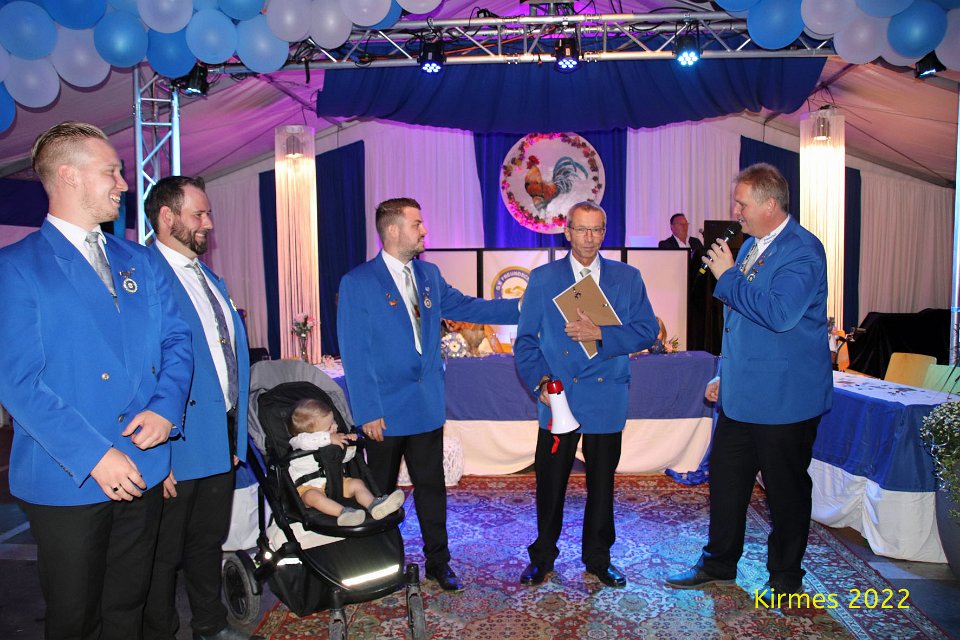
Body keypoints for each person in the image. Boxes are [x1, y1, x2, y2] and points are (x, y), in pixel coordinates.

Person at [0, 121, 193, 640]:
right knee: (75, 620)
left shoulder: (140, 261)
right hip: (70, 474)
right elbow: (17, 382)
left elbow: (177, 341)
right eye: (112, 171)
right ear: (69, 175)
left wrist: (165, 409)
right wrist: (93, 455)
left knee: (128, 608)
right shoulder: (15, 267)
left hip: (143, 465)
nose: (124, 184)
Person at [664, 163, 833, 602]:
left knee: (785, 491)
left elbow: (779, 315)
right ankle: (719, 563)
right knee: (727, 481)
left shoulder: (803, 250)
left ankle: (785, 578)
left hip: (785, 398)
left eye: (741, 203)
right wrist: (726, 372)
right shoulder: (752, 246)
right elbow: (740, 323)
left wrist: (728, 275)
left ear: (770, 204)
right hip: (743, 393)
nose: (735, 211)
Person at [337, 197, 520, 592]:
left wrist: (525, 308)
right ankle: (381, 563)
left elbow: (469, 307)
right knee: (380, 494)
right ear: (392, 230)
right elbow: (355, 352)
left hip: (426, 406)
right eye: (417, 224)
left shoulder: (429, 274)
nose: (424, 231)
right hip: (384, 412)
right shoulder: (358, 283)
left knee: (432, 489)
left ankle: (439, 562)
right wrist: (367, 409)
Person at [514, 201, 659, 588]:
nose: (589, 238)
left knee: (602, 484)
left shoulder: (628, 277)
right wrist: (541, 383)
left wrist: (601, 334)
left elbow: (647, 331)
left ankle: (598, 558)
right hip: (559, 396)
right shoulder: (543, 279)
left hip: (606, 393)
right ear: (567, 232)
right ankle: (543, 556)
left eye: (596, 230)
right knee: (550, 483)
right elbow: (525, 342)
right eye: (581, 229)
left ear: (604, 232)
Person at [140, 176, 259, 640]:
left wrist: (233, 438)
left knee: (207, 541)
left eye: (208, 213)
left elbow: (226, 360)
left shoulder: (209, 276)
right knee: (161, 555)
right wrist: (157, 456)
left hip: (216, 434)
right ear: (166, 216)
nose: (208, 223)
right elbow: (141, 369)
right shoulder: (143, 273)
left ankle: (210, 625)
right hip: (174, 441)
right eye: (199, 214)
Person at [287, 398, 406, 526]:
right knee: (312, 496)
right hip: (308, 488)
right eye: (329, 427)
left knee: (357, 483)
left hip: (336, 484)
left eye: (334, 421)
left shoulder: (333, 439)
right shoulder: (299, 441)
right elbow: (306, 441)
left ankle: (374, 506)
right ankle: (344, 513)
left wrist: (348, 444)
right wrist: (328, 438)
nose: (336, 427)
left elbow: (344, 459)